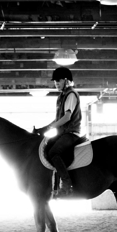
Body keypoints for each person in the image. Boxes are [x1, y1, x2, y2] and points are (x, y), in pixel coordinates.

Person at [33, 67, 82, 198]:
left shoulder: (71, 95)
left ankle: (67, 185)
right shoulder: (61, 96)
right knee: (45, 147)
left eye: (58, 80)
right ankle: (52, 187)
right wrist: (44, 128)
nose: (56, 83)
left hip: (71, 133)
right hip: (63, 133)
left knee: (54, 152)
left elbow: (67, 117)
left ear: (66, 80)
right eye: (55, 81)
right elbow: (58, 119)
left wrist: (50, 128)